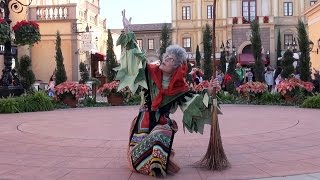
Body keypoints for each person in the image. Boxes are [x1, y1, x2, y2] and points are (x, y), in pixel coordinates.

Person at [118, 10, 221, 177]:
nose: (166, 59)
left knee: (164, 130)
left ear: (177, 67)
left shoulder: (180, 90)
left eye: (172, 59)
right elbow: (136, 57)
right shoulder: (148, 72)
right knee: (137, 160)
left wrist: (209, 91)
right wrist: (129, 32)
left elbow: (195, 104)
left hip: (161, 123)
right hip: (142, 123)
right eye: (166, 56)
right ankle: (149, 160)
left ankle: (157, 165)